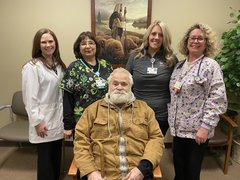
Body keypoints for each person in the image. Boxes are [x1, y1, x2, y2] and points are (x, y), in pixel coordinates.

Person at [74, 68, 164, 180]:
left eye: (124, 84)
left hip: (136, 174)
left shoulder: (144, 109)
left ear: (130, 87)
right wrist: (90, 171)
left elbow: (156, 139)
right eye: (115, 83)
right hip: (101, 175)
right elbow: (80, 142)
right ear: (109, 86)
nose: (119, 87)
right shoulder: (92, 110)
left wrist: (142, 168)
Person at [168, 23, 228, 180]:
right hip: (178, 128)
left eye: (200, 38)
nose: (195, 41)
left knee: (192, 173)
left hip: (197, 131)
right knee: (179, 169)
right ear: (187, 41)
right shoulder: (180, 65)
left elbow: (217, 98)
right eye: (192, 38)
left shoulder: (210, 65)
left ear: (206, 43)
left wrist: (205, 127)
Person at [22, 28, 66, 180]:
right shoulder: (32, 67)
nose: (48, 45)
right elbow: (29, 99)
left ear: (55, 43)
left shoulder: (58, 64)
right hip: (43, 121)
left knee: (56, 158)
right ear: (38, 45)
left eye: (50, 41)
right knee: (45, 162)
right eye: (44, 42)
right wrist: (37, 122)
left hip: (57, 119)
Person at [126, 20, 177, 136]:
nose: (156, 37)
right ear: (148, 35)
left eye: (161, 35)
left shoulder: (171, 59)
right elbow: (126, 83)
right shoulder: (135, 56)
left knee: (155, 149)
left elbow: (177, 84)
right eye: (153, 34)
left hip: (162, 115)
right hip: (137, 113)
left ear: (165, 38)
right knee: (137, 148)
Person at [59, 31, 113, 139]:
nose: (87, 46)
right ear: (78, 48)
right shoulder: (74, 68)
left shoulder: (106, 65)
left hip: (106, 119)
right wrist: (68, 125)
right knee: (83, 153)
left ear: (96, 46)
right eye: (83, 44)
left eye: (91, 43)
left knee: (104, 151)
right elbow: (67, 99)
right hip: (82, 120)